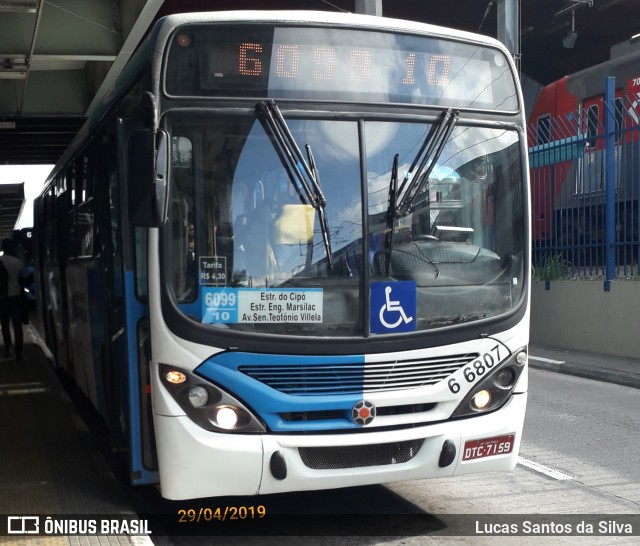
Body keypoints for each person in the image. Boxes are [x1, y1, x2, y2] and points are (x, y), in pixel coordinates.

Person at [0, 238, 26, 361]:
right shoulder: (18, 262)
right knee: (17, 326)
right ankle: (19, 353)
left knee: (5, 325)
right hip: (15, 298)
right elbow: (23, 281)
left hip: (2, 298)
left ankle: (8, 348)